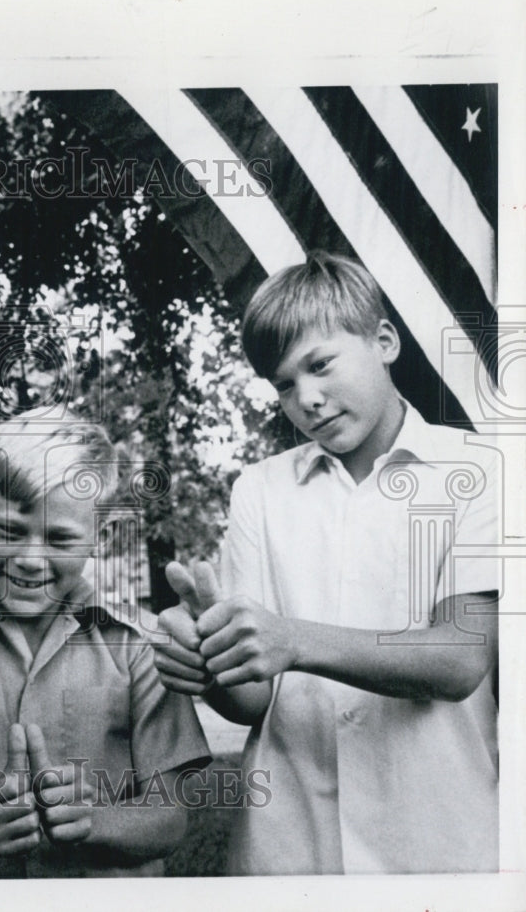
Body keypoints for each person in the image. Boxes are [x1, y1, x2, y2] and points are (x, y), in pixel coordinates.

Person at [151, 252, 499, 875]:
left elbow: (459, 659)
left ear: (384, 341)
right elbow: (254, 700)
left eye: (320, 365)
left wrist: (290, 639)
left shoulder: (479, 471)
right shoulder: (258, 489)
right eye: (284, 384)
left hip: (440, 843)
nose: (306, 399)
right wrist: (212, 666)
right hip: (288, 850)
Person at [0, 412, 211, 878]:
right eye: (9, 531)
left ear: (98, 538)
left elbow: (171, 816)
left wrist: (95, 820)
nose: (29, 559)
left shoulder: (140, 648)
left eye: (59, 538)